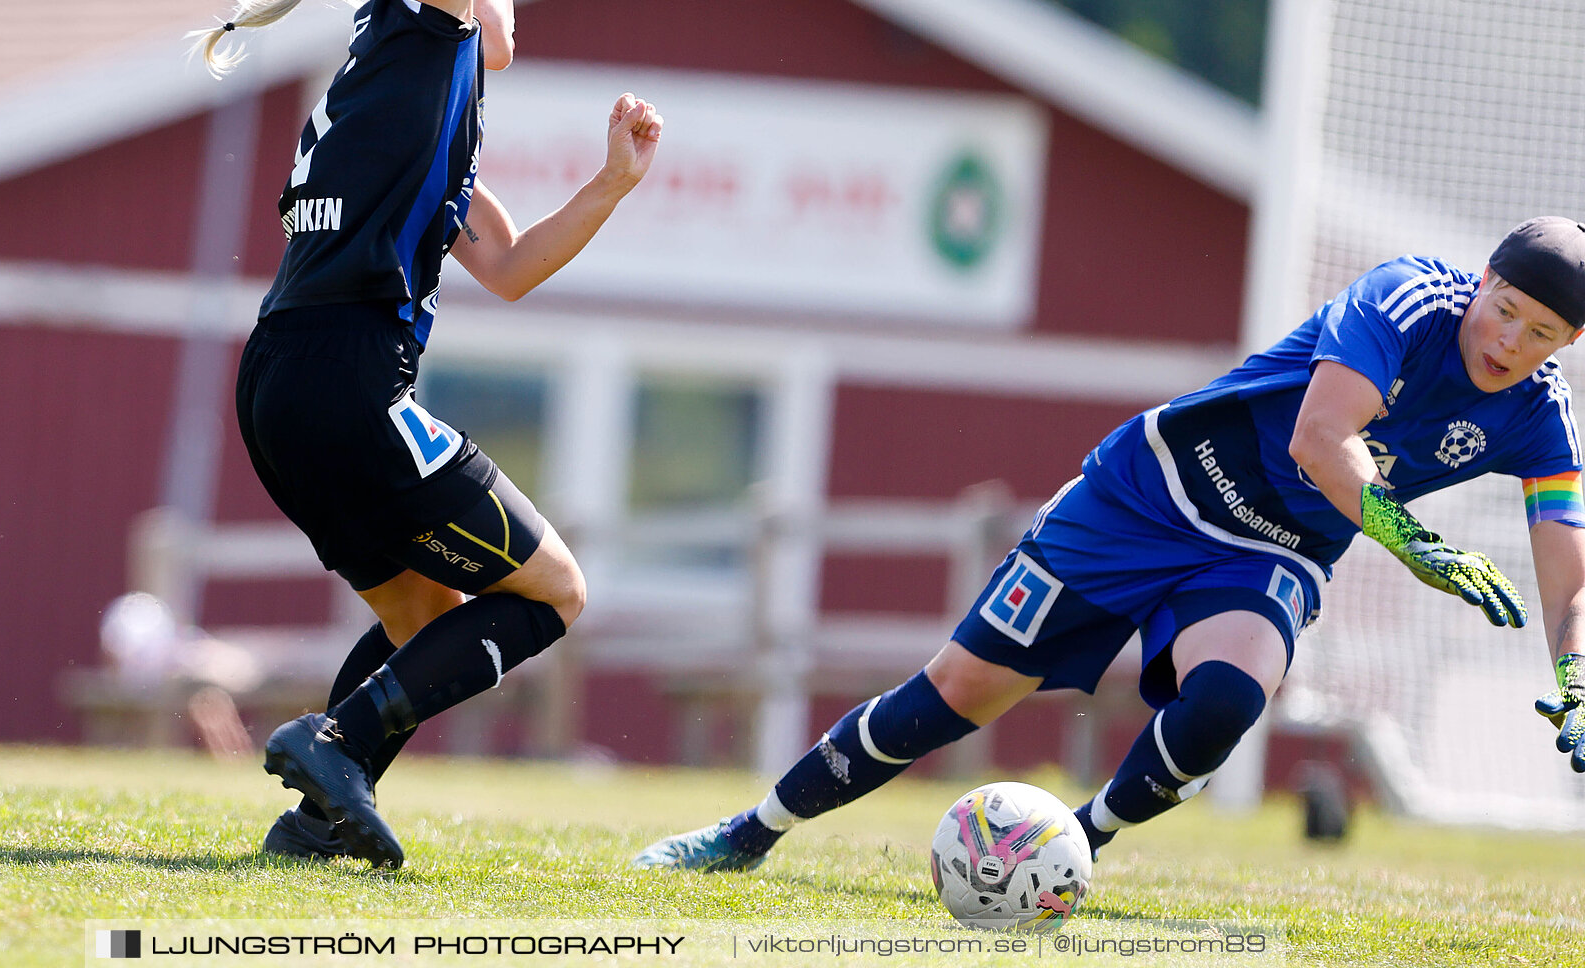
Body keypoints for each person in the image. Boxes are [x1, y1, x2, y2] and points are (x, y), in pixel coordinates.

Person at [636, 218, 1585, 873]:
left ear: (1565, 345)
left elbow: (1566, 570)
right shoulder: (1406, 298)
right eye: (1505, 310)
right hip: (1150, 494)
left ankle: (1071, 852)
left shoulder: (1544, 417)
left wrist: (1575, 675)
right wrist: (1410, 539)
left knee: (1228, 698)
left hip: (1269, 551)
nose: (1510, 342)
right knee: (959, 692)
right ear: (1486, 281)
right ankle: (748, 834)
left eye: (1541, 336)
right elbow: (1316, 439)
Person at [195, 0, 661, 871]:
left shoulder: (394, 96)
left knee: (424, 618)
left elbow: (507, 268)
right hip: (350, 383)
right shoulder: (424, 25)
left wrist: (609, 185)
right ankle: (335, 742)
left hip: (279, 384)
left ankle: (319, 815)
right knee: (553, 590)